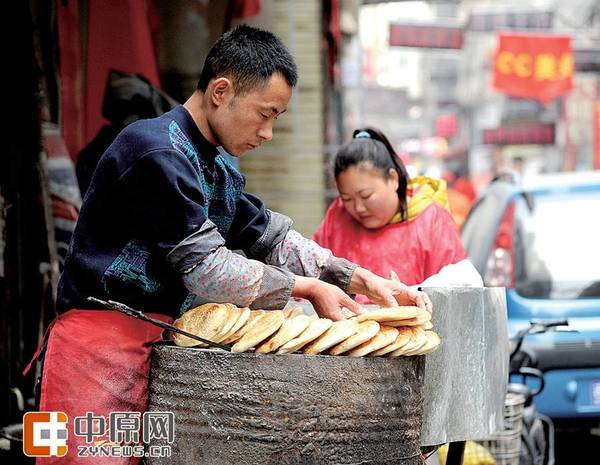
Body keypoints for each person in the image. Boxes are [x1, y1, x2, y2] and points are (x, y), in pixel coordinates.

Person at [28, 27, 430, 464]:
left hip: (160, 349)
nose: (268, 132)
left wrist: (363, 281)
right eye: (265, 113)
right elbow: (207, 268)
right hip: (96, 350)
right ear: (221, 91)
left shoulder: (216, 167)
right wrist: (307, 289)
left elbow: (271, 238)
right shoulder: (154, 150)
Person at [313, 127, 467, 303]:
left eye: (366, 196)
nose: (358, 207)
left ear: (393, 179)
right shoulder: (338, 214)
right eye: (347, 198)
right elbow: (312, 271)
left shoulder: (431, 219)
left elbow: (454, 293)